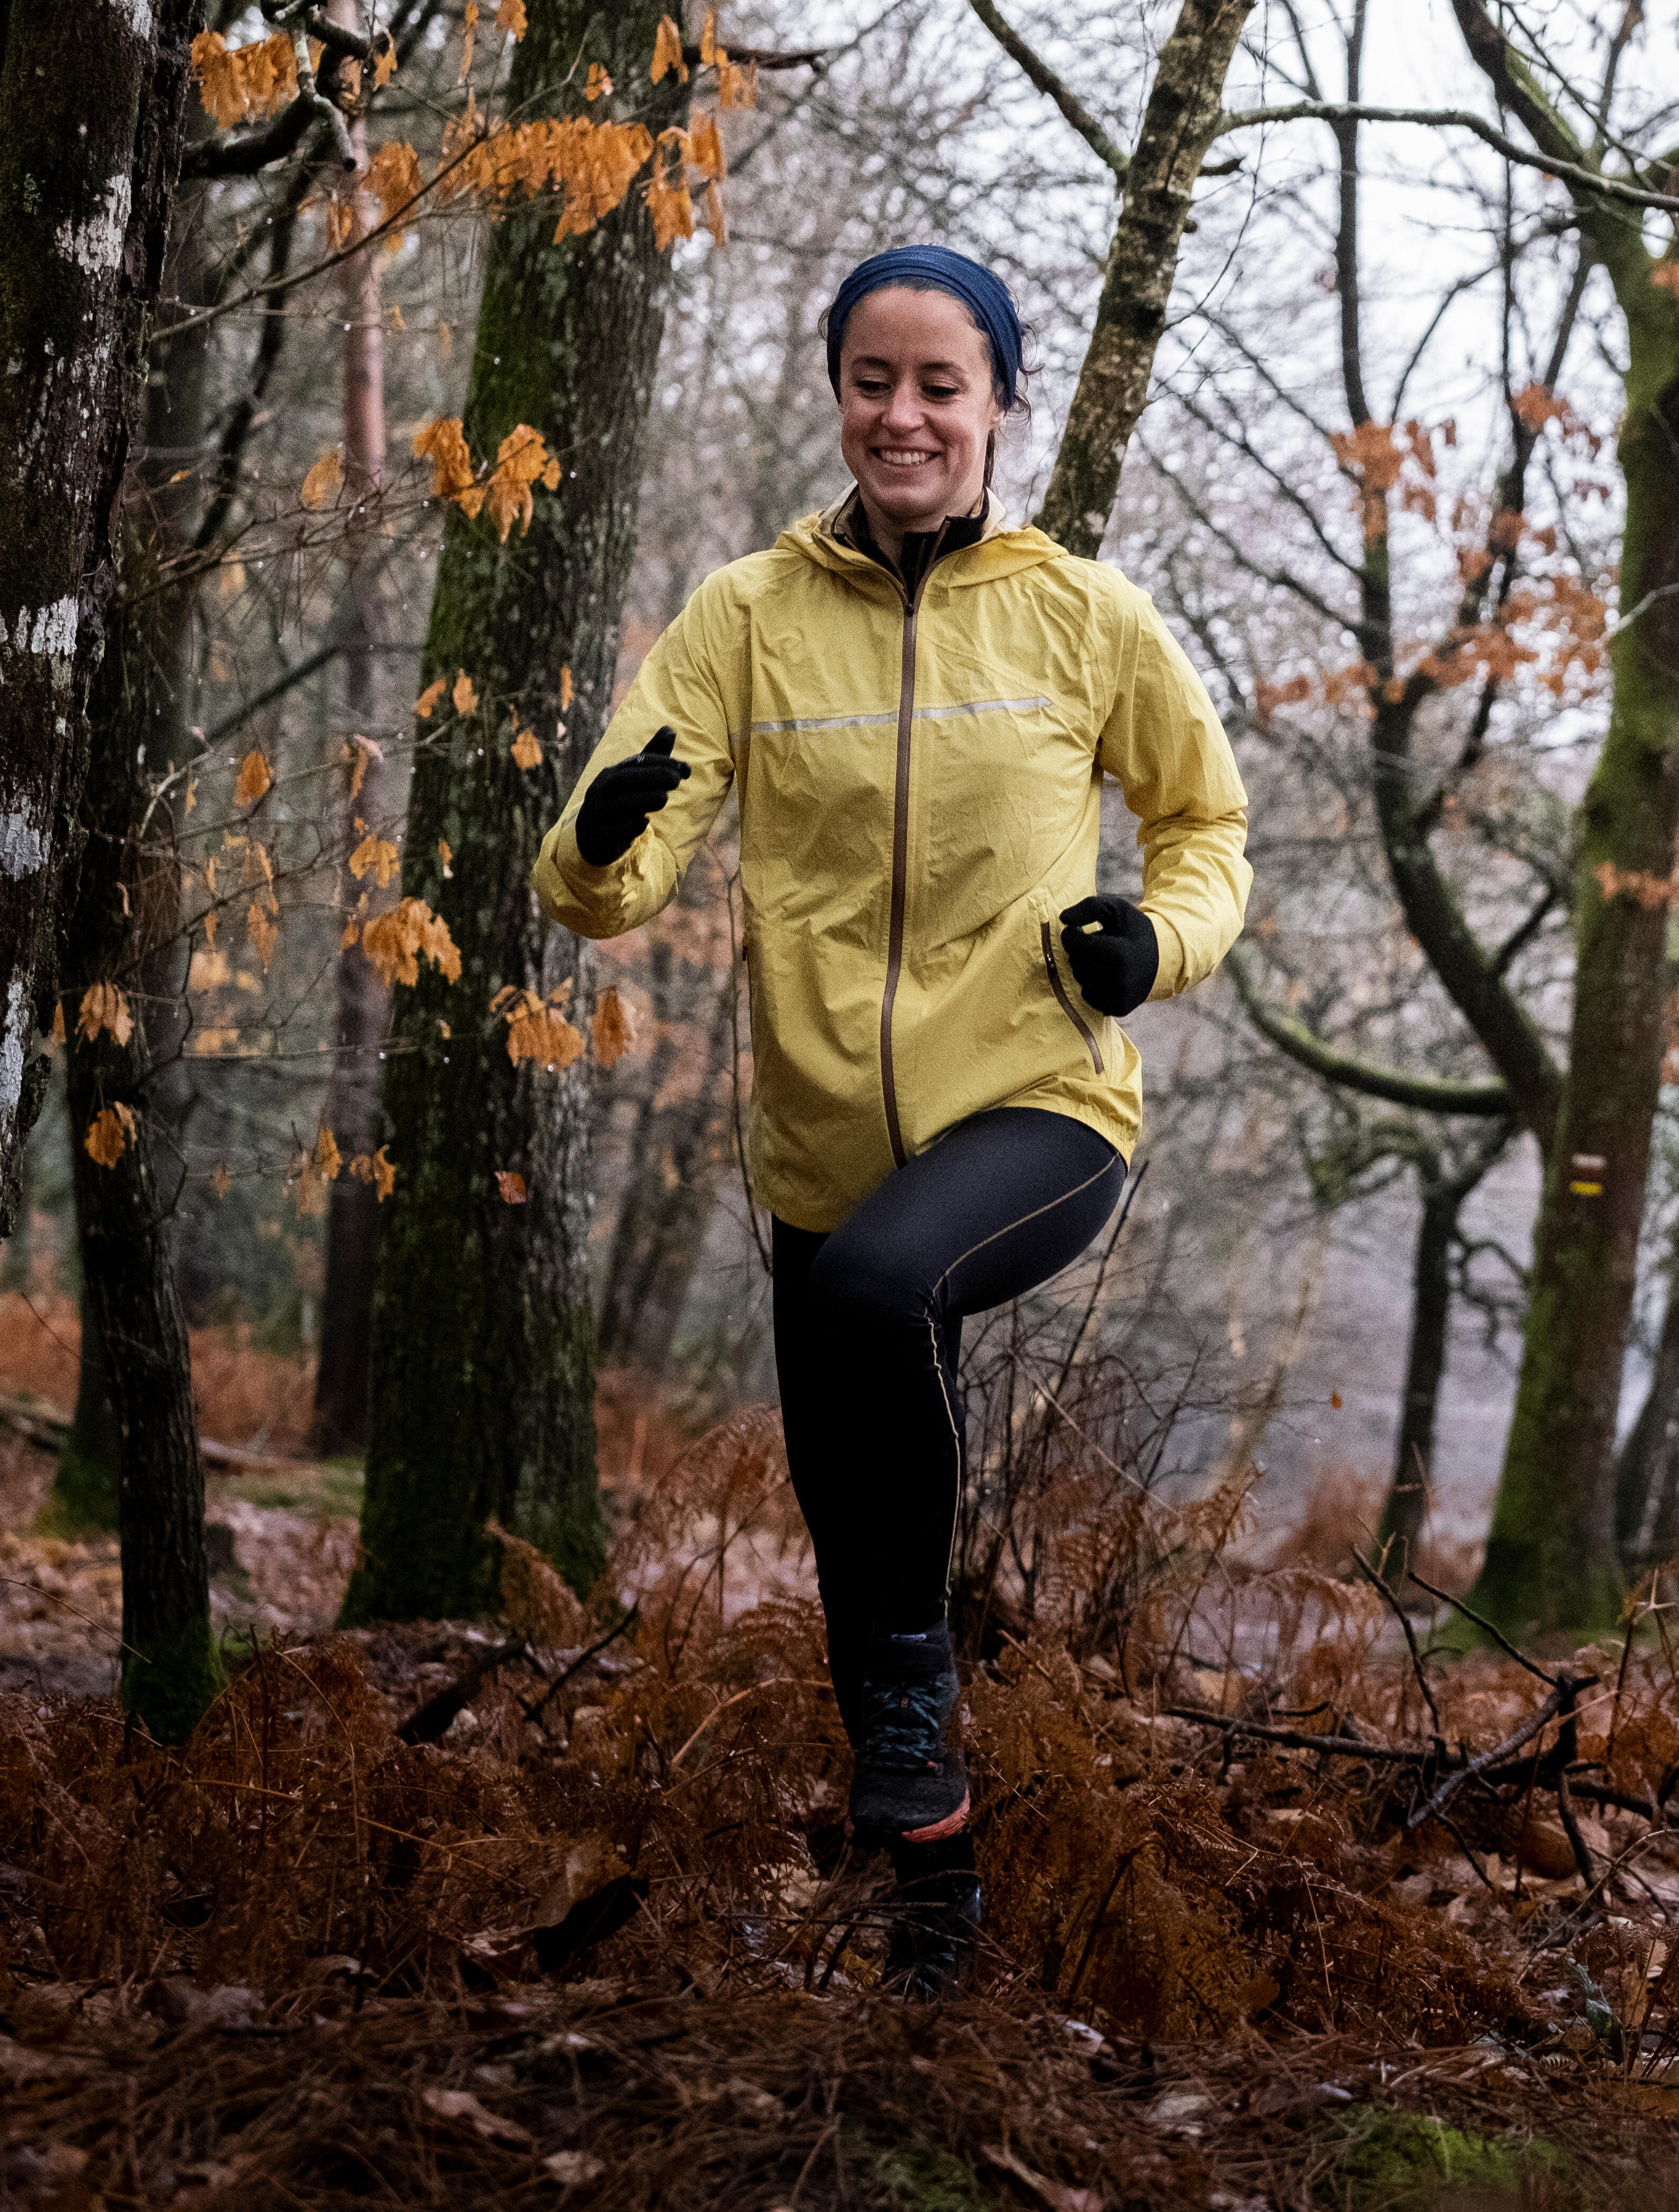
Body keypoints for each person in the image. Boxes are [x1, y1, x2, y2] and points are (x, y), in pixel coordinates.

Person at [532, 244, 1251, 1996]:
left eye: (942, 383)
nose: (905, 413)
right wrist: (605, 826)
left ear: (1003, 400)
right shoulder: (748, 618)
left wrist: (1152, 942)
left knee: (877, 1297)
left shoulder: (1087, 617)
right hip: (822, 1148)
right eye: (875, 379)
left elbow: (1208, 833)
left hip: (1043, 1103)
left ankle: (920, 1735)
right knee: (849, 1499)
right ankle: (932, 1902)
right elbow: (594, 898)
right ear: (838, 394)